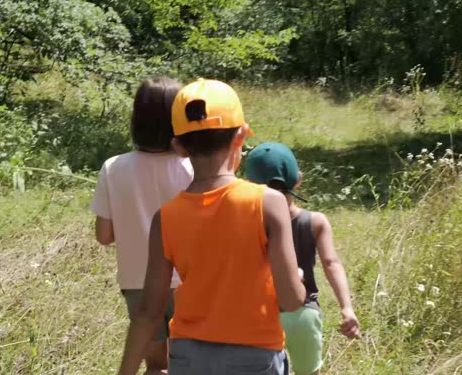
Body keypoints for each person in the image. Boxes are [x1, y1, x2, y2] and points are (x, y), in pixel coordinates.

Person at [118, 79, 306, 375]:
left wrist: (125, 372)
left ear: (179, 146)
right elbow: (293, 300)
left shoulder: (164, 217)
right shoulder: (268, 203)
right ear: (241, 136)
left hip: (188, 356)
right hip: (255, 354)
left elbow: (149, 313)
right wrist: (296, 277)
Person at [91, 77, 194, 375]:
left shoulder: (113, 168)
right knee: (187, 363)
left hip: (137, 282)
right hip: (188, 280)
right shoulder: (192, 168)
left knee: (156, 366)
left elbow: (104, 236)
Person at [245, 142, 361, 375]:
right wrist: (346, 307)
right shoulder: (315, 221)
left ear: (249, 185)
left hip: (260, 314)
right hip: (303, 314)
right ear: (298, 179)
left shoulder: (247, 222)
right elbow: (331, 263)